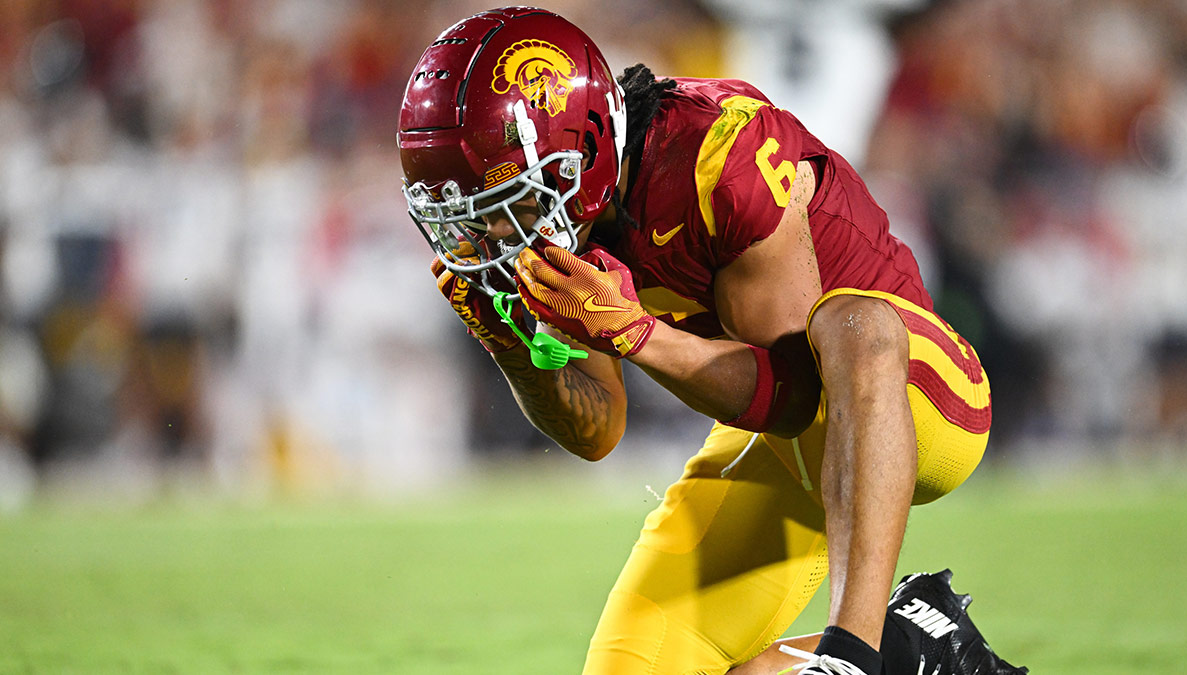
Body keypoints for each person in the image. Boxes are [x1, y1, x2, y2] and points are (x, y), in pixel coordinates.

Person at [398, 7, 1026, 675]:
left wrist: (638, 334)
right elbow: (597, 426)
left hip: (912, 398)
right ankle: (916, 646)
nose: (493, 235)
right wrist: (511, 345)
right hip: (783, 444)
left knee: (853, 323)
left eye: (503, 203)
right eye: (470, 213)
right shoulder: (565, 215)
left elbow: (797, 394)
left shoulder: (716, 151)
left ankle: (854, 654)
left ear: (577, 157)